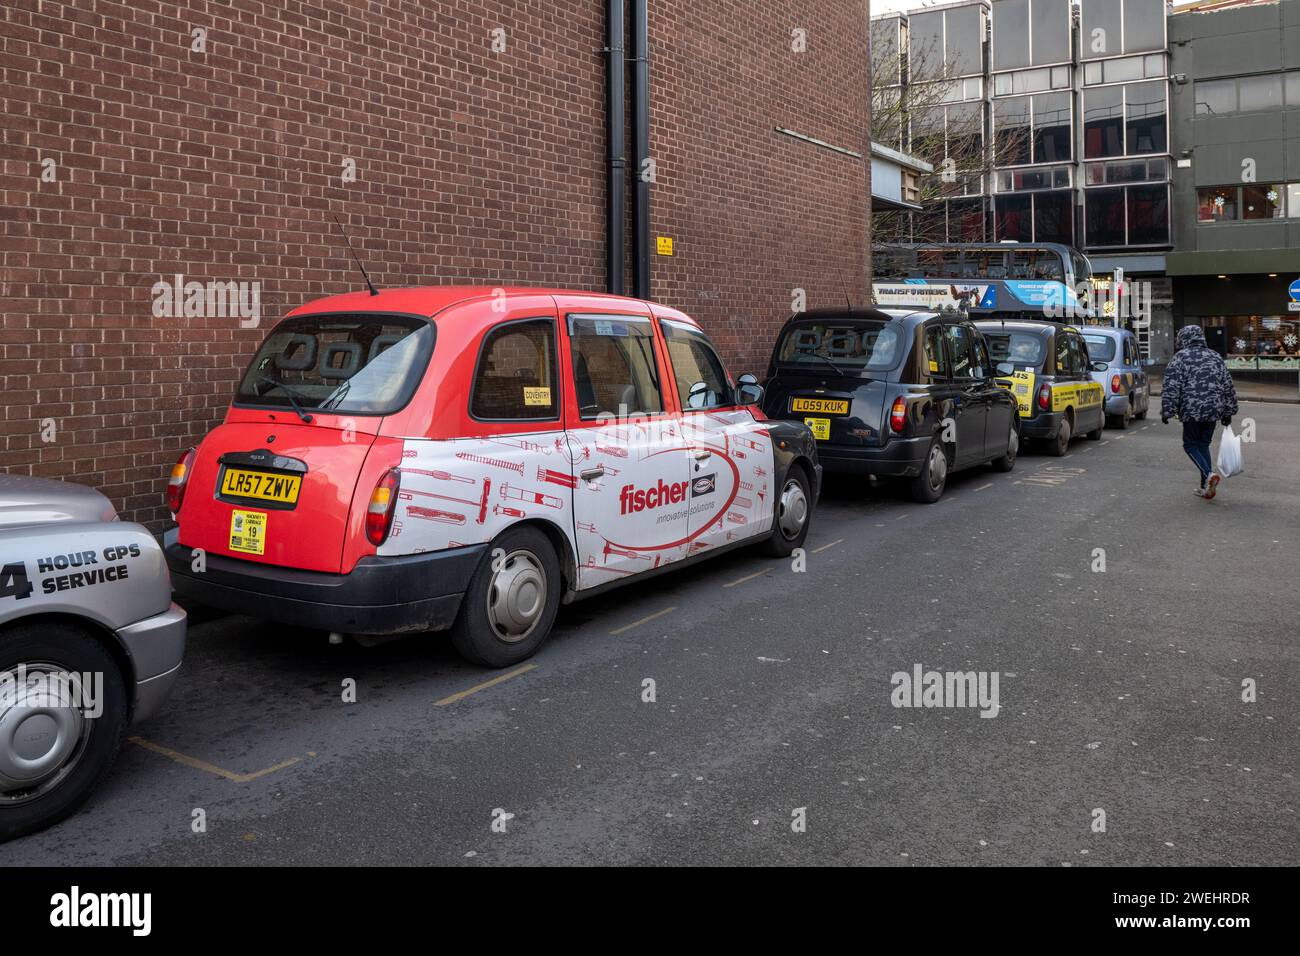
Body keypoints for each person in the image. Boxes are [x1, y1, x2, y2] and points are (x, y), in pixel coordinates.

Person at [1161, 325, 1239, 500]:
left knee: (1190, 445)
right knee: (1203, 444)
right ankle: (1205, 486)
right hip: (1213, 410)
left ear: (1183, 339)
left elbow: (1172, 387)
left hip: (1192, 410)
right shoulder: (1215, 356)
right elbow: (1228, 386)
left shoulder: (1180, 358)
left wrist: (1168, 410)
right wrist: (1229, 411)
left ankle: (1209, 475)